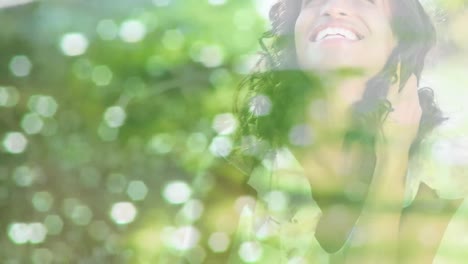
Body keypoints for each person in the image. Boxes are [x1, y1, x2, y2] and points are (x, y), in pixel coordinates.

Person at [229, 0, 467, 263]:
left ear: (400, 36)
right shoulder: (245, 159)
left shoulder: (441, 162)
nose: (333, 6)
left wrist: (393, 158)